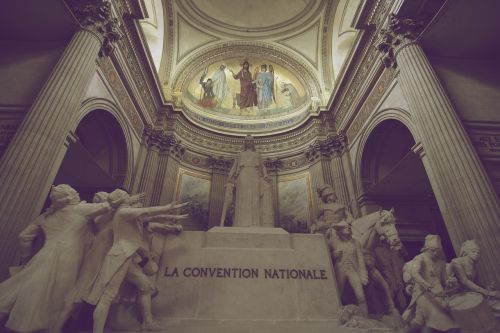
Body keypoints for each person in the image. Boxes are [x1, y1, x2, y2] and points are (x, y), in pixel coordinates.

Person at [0, 184, 113, 333]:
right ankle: (48, 326)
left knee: (32, 288)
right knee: (59, 294)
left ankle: (26, 323)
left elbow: (24, 237)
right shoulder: (80, 210)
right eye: (75, 193)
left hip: (44, 254)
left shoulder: (45, 216)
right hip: (69, 257)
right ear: (69, 197)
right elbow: (110, 205)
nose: (78, 194)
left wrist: (26, 258)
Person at [84, 189, 188, 333]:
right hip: (119, 257)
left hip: (128, 257)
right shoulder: (123, 212)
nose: (129, 196)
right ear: (122, 199)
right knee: (107, 297)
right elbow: (146, 212)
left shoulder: (126, 213)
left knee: (146, 287)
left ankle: (147, 323)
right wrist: (168, 207)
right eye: (126, 195)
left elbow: (148, 217)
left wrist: (168, 216)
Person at [402, 235, 459, 333]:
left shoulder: (441, 262)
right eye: (432, 250)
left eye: (437, 250)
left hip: (439, 295)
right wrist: (429, 287)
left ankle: (406, 330)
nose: (435, 253)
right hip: (424, 294)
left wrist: (450, 282)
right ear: (426, 249)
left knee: (422, 321)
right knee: (434, 320)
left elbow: (444, 280)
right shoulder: (420, 259)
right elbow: (415, 274)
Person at [224, 135, 274, 227]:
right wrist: (229, 177)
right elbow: (234, 167)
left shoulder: (257, 155)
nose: (249, 142)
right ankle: (240, 223)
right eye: (247, 141)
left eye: (250, 141)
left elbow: (262, 166)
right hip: (242, 175)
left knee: (255, 199)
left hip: (255, 176)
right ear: (245, 143)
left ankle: (255, 224)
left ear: (253, 143)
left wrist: (266, 175)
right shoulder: (240, 155)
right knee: (242, 198)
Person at [328, 220, 369, 316]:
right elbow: (325, 256)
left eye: (349, 227)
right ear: (340, 230)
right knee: (338, 296)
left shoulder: (356, 242)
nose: (349, 228)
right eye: (346, 227)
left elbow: (360, 260)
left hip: (353, 271)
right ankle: (336, 318)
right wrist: (333, 255)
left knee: (361, 296)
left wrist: (363, 275)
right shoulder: (333, 242)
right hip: (340, 270)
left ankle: (366, 318)